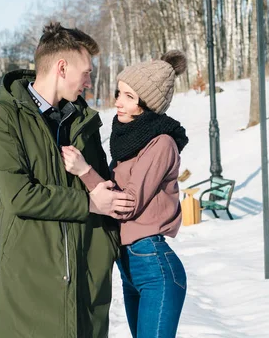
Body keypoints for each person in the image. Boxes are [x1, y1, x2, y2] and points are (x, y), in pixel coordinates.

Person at [0, 22, 133, 338]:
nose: (89, 83)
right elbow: (19, 196)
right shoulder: (5, 117)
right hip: (31, 285)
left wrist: (104, 248)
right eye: (86, 73)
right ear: (62, 68)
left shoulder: (83, 120)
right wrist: (90, 203)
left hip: (86, 280)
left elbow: (102, 184)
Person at [62, 50, 190, 338]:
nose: (118, 101)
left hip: (154, 267)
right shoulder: (129, 140)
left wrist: (84, 171)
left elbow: (126, 205)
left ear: (146, 103)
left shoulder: (160, 143)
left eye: (128, 96)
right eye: (119, 93)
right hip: (130, 267)